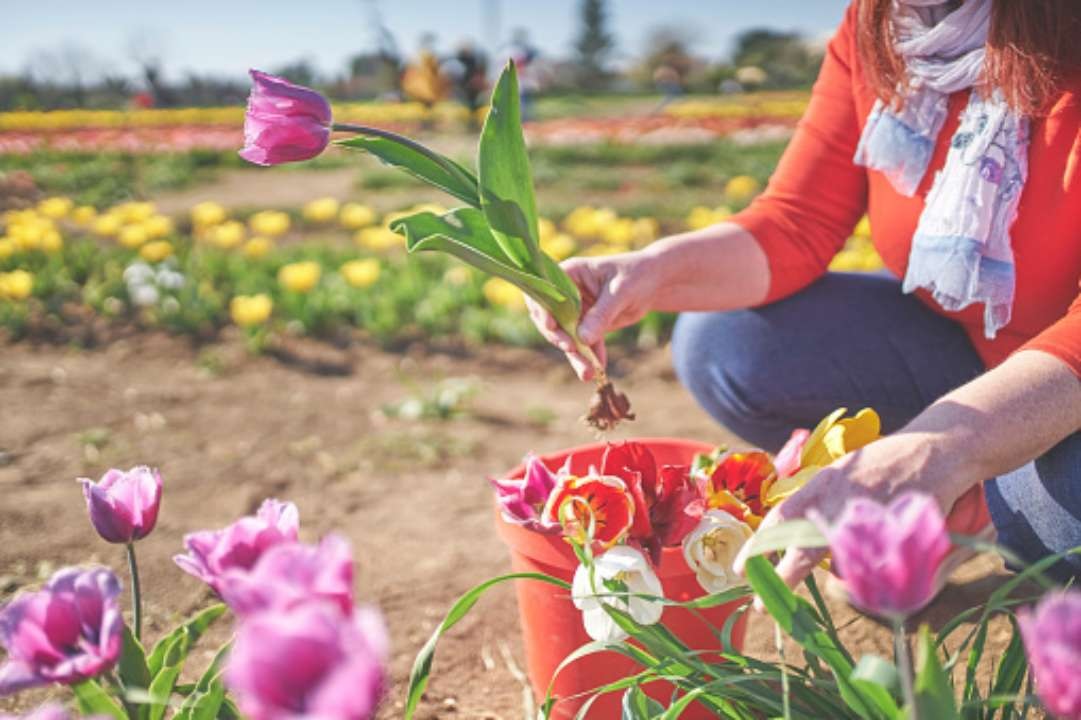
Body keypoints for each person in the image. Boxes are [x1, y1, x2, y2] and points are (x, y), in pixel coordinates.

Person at [528, 0, 1081, 585]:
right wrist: (649, 270)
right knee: (727, 343)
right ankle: (973, 501)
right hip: (976, 351)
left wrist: (944, 446)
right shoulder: (883, 26)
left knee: (1054, 517)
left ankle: (991, 484)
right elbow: (798, 221)